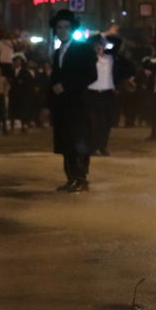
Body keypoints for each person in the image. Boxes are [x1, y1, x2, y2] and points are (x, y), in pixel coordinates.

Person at [48, 10, 97, 192]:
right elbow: (54, 78)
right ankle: (71, 177)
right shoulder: (58, 51)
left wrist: (66, 86)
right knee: (66, 142)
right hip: (62, 105)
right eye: (59, 27)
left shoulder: (83, 49)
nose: (63, 31)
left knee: (79, 141)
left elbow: (91, 75)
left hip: (78, 103)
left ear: (72, 28)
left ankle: (81, 178)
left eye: (66, 27)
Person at [86, 35, 118, 156]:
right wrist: (99, 34)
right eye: (96, 47)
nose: (99, 49)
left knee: (106, 122)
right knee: (93, 122)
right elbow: (87, 43)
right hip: (92, 92)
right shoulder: (89, 58)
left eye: (100, 46)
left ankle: (103, 146)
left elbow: (118, 43)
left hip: (107, 93)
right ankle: (92, 147)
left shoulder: (110, 58)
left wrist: (106, 35)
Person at [8, 55, 35, 132]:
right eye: (16, 61)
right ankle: (12, 125)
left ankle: (23, 125)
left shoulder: (25, 71)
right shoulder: (11, 71)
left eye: (19, 61)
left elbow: (28, 82)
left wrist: (19, 82)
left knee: (23, 109)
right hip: (13, 93)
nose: (17, 63)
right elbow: (9, 80)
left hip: (22, 94)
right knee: (12, 109)